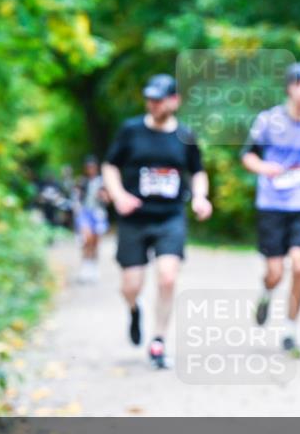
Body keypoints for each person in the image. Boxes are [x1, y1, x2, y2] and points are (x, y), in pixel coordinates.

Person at [102, 73, 212, 369]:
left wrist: (201, 198)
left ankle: (158, 341)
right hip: (134, 218)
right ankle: (134, 309)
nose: (152, 104)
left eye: (159, 99)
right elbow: (110, 166)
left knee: (168, 276)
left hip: (170, 217)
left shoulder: (185, 136)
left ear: (174, 101)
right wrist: (118, 195)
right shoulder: (131, 131)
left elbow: (198, 171)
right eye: (149, 98)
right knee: (131, 284)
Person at [242, 62, 300, 356]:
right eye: (296, 85)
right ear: (288, 89)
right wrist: (263, 167)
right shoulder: (269, 120)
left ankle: (290, 330)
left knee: (299, 265)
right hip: (272, 202)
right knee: (275, 272)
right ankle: (267, 293)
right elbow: (247, 156)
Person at [73, 155, 109, 284]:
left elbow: (108, 199)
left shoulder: (102, 181)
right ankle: (85, 267)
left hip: (98, 213)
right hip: (85, 213)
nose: (90, 169)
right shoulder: (81, 181)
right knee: (86, 239)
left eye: (92, 167)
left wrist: (104, 196)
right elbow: (76, 198)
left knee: (95, 242)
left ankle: (93, 267)